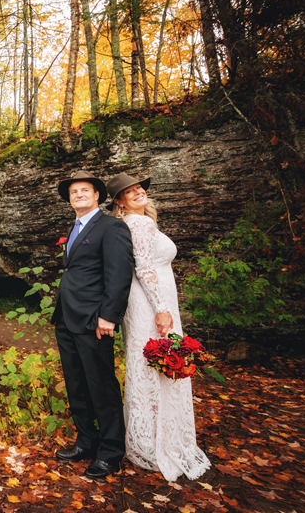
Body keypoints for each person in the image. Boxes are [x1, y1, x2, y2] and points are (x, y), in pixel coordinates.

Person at [106, 172, 211, 482]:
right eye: (130, 191)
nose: (139, 192)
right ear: (119, 201)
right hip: (151, 303)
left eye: (140, 188)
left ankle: (150, 437)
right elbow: (144, 267)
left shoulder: (134, 222)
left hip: (151, 301)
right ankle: (155, 442)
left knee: (151, 366)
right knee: (156, 364)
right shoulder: (138, 223)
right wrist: (161, 309)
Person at [52, 170, 134, 480]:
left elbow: (119, 274)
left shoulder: (111, 227)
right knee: (77, 385)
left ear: (97, 195)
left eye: (85, 190)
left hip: (93, 321)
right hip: (67, 318)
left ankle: (111, 453)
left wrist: (108, 316)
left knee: (102, 386)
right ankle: (86, 441)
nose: (79, 195)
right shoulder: (74, 228)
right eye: (74, 192)